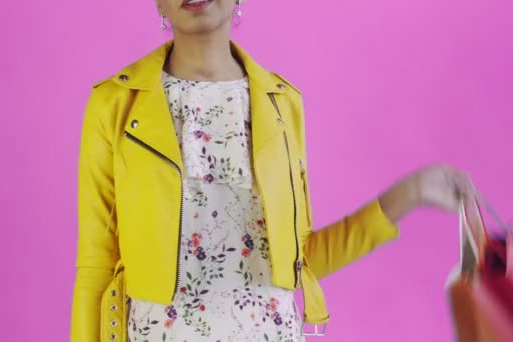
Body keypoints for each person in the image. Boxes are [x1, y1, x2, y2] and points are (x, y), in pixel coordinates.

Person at [70, 1, 475, 341]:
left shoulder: (283, 104)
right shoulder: (115, 106)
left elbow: (299, 262)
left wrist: (409, 194)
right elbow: (96, 270)